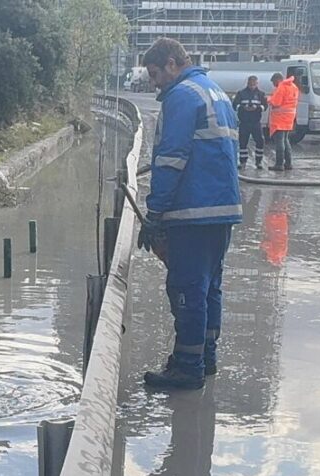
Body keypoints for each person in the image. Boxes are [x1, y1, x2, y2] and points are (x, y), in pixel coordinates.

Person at [138, 37, 242, 390]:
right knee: (210, 287)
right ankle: (205, 356)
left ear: (171, 64)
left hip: (193, 209)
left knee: (186, 288)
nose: (154, 83)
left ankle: (186, 367)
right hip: (221, 208)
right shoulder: (213, 91)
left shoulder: (182, 96)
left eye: (155, 74)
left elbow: (171, 160)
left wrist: (154, 213)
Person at [232, 75, 267, 170]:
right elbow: (235, 105)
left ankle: (258, 162)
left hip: (256, 122)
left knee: (260, 142)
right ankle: (243, 162)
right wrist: (244, 108)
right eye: (250, 84)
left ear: (257, 84)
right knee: (243, 143)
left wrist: (258, 108)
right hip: (244, 122)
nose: (252, 86)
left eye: (254, 84)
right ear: (247, 83)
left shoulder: (261, 94)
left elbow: (265, 106)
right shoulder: (241, 93)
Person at [267, 72, 299, 171]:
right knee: (286, 140)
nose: (273, 85)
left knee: (280, 142)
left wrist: (269, 99)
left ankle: (279, 164)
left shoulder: (281, 87)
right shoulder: (293, 86)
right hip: (289, 118)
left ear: (277, 80)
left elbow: (276, 102)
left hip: (280, 119)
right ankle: (288, 163)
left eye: (273, 82)